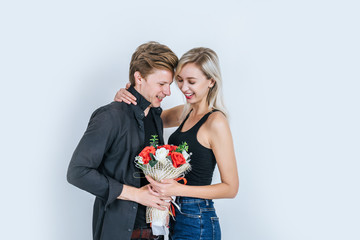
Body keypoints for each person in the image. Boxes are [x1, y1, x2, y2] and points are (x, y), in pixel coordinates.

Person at [114, 47, 239, 240]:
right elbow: (145, 120)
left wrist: (177, 189)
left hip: (197, 217)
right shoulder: (184, 112)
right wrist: (126, 95)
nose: (183, 87)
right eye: (180, 80)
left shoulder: (216, 122)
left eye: (192, 81)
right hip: (172, 213)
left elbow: (231, 188)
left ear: (211, 81)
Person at [67, 41, 178, 240]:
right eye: (162, 84)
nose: (168, 92)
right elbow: (77, 172)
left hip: (157, 232)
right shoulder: (110, 116)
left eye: (169, 84)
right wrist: (136, 194)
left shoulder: (156, 118)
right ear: (139, 77)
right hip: (121, 233)